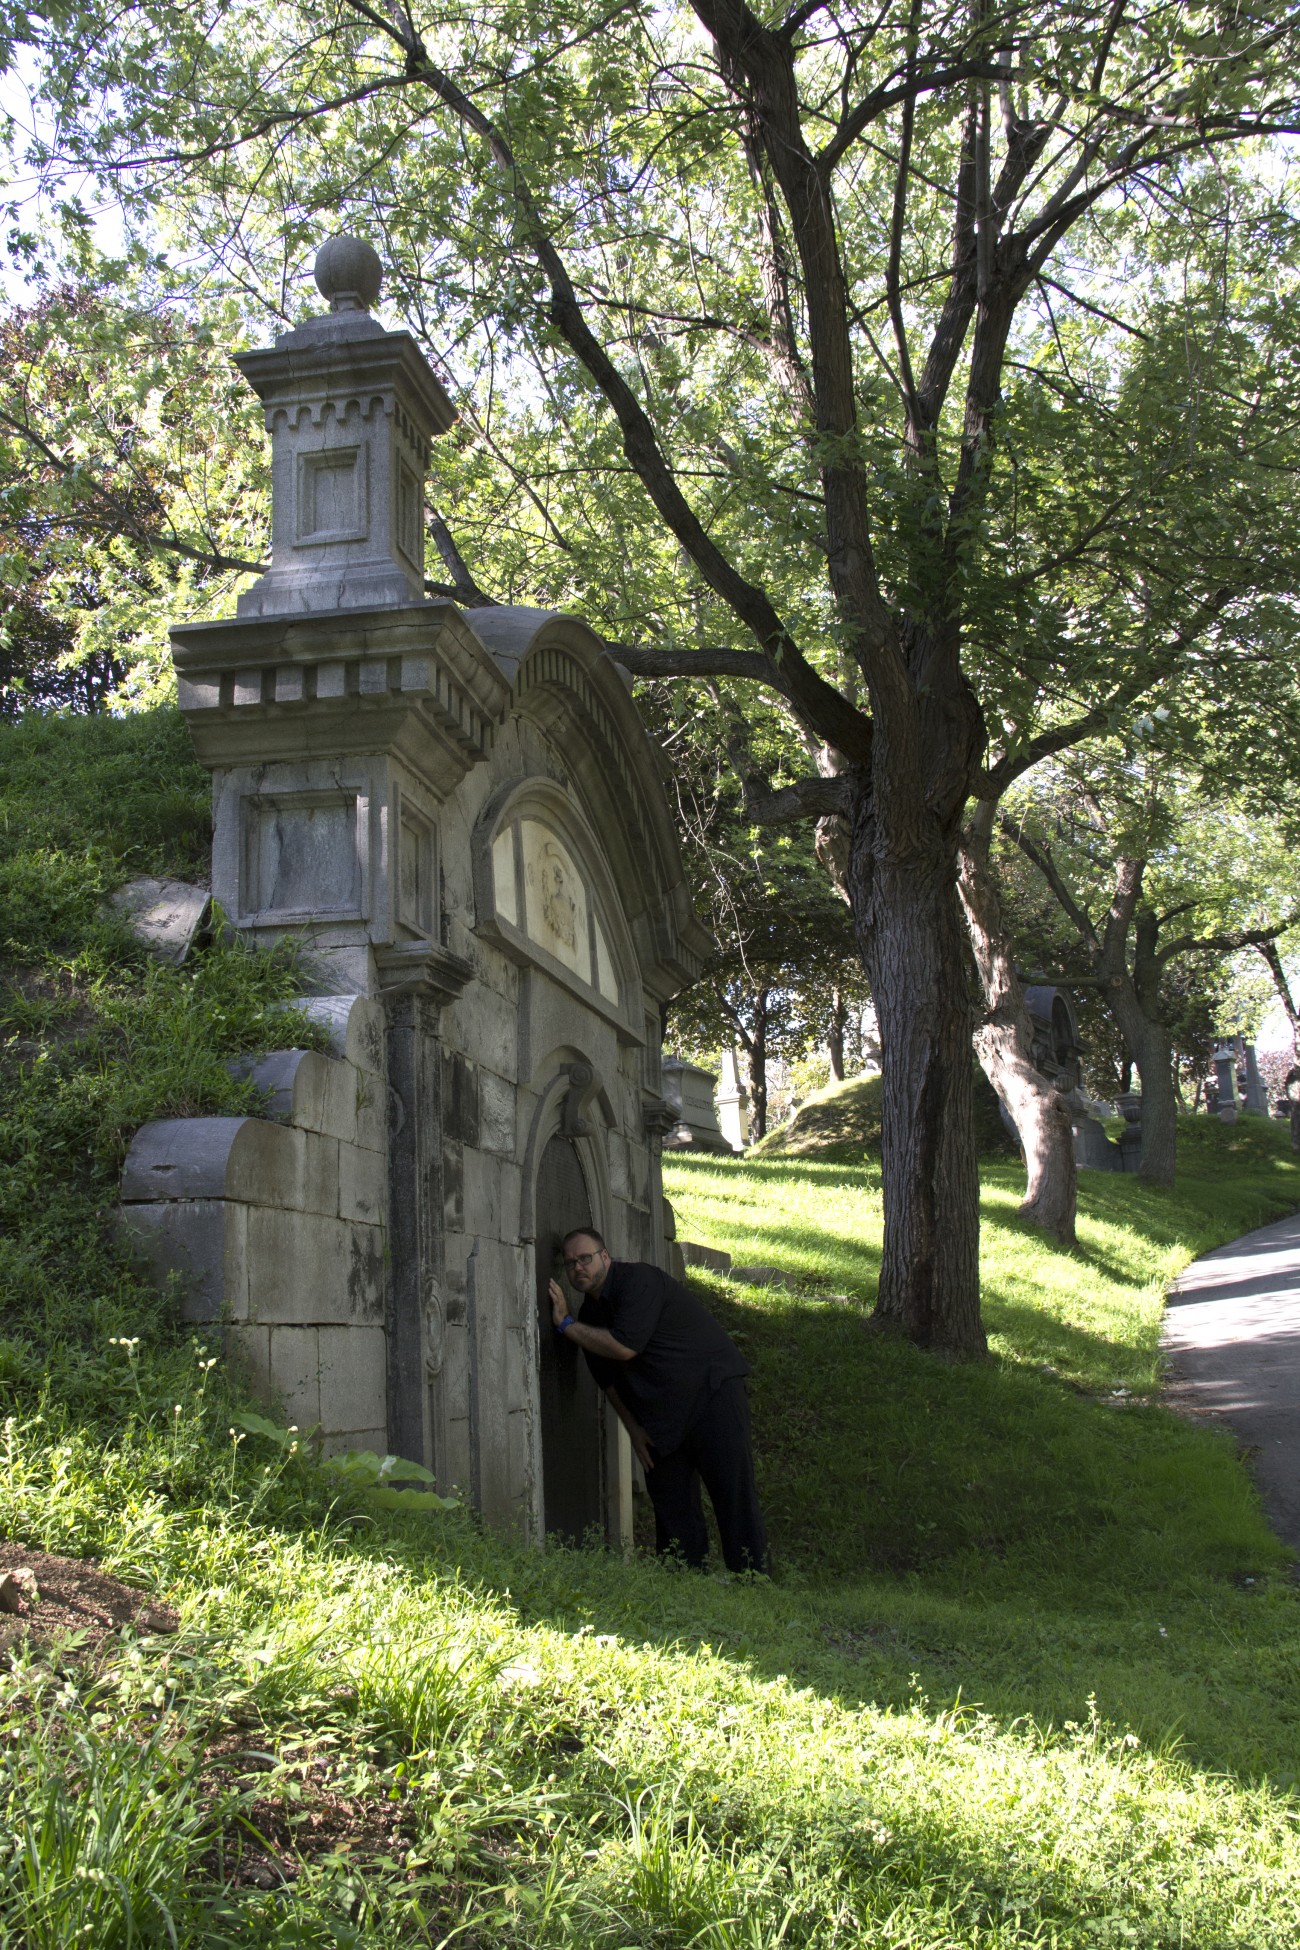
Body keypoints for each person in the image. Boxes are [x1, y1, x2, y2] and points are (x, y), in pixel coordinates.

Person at [546, 1228, 768, 1574]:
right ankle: (684, 1585)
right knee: (671, 1505)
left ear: (605, 1256)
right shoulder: (590, 1319)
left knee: (733, 1495)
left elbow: (624, 1346)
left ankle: (754, 1583)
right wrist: (634, 1430)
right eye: (570, 1262)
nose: (577, 1268)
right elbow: (608, 1383)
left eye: (585, 1258)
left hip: (712, 1395)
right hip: (660, 1416)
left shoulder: (638, 1281)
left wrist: (565, 1325)